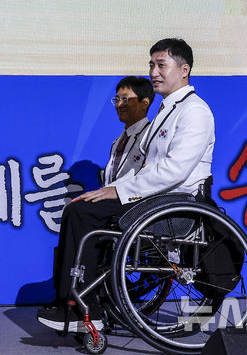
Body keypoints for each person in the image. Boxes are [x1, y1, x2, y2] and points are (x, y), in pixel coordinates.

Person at [38, 38, 215, 332]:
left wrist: (119, 190)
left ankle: (84, 307)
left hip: (176, 204)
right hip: (156, 198)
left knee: (83, 213)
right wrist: (110, 189)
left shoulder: (195, 111)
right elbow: (147, 169)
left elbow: (175, 170)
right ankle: (72, 301)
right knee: (80, 207)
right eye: (151, 65)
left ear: (184, 70)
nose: (153, 72)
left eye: (161, 65)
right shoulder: (168, 110)